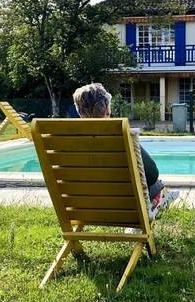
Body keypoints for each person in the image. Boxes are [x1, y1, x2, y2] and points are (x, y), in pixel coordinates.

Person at [72, 83, 178, 219]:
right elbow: (151, 173)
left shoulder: (66, 137)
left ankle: (161, 198)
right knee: (156, 184)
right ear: (106, 109)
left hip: (89, 205)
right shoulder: (120, 134)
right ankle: (156, 203)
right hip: (127, 203)